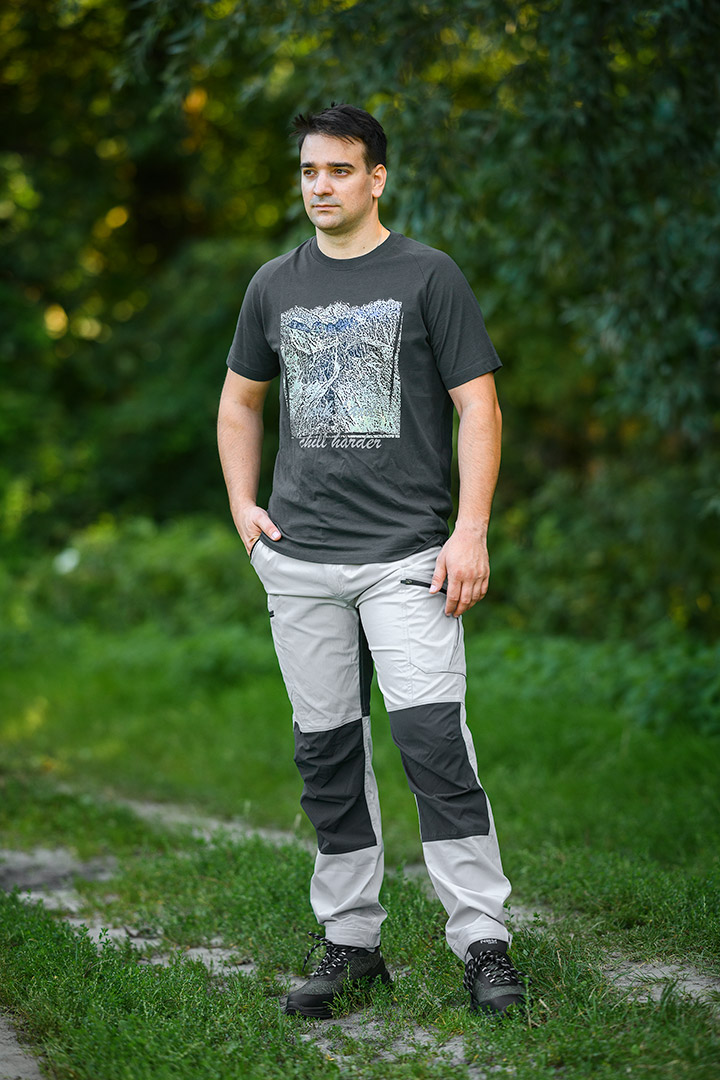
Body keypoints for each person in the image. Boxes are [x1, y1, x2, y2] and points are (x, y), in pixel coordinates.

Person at [217, 103, 526, 1019]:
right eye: (309, 170)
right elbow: (239, 402)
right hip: (300, 561)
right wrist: (244, 509)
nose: (320, 186)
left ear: (376, 178)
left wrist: (471, 531)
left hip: (407, 559)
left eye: (340, 170)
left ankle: (484, 941)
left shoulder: (429, 274)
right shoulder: (273, 284)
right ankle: (351, 945)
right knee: (327, 755)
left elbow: (480, 407)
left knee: (433, 744)